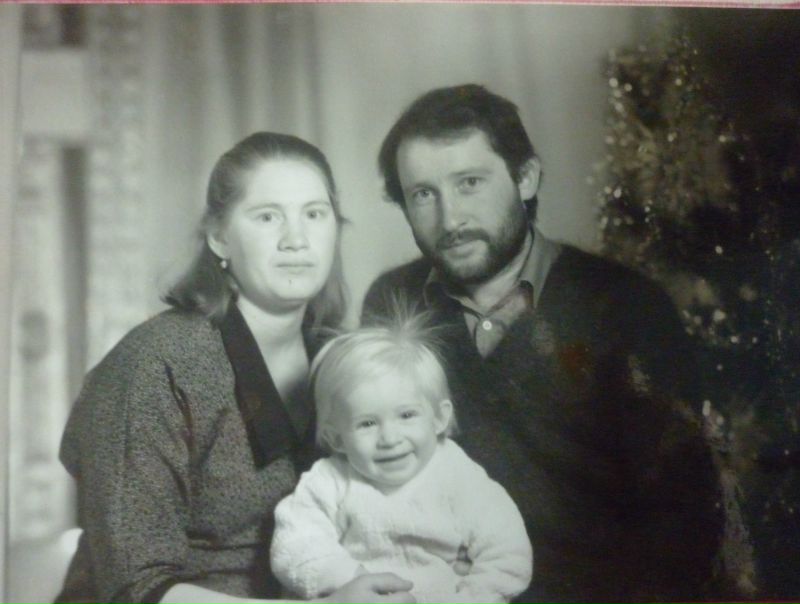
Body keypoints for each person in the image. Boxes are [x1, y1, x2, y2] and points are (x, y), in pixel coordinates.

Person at [362, 84, 725, 603]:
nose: (450, 219)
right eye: (423, 194)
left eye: (469, 183)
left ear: (526, 178)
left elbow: (683, 519)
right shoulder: (393, 303)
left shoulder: (625, 305)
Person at [55, 132, 414, 604]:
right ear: (219, 237)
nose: (296, 240)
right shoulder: (154, 363)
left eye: (314, 214)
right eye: (267, 217)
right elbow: (136, 588)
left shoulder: (340, 357)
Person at [270, 317, 533, 604]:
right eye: (367, 423)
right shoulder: (329, 480)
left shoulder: (458, 474)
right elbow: (294, 544)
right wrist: (347, 578)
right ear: (337, 439)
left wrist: (471, 598)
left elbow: (508, 552)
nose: (389, 438)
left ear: (439, 418)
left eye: (406, 415)